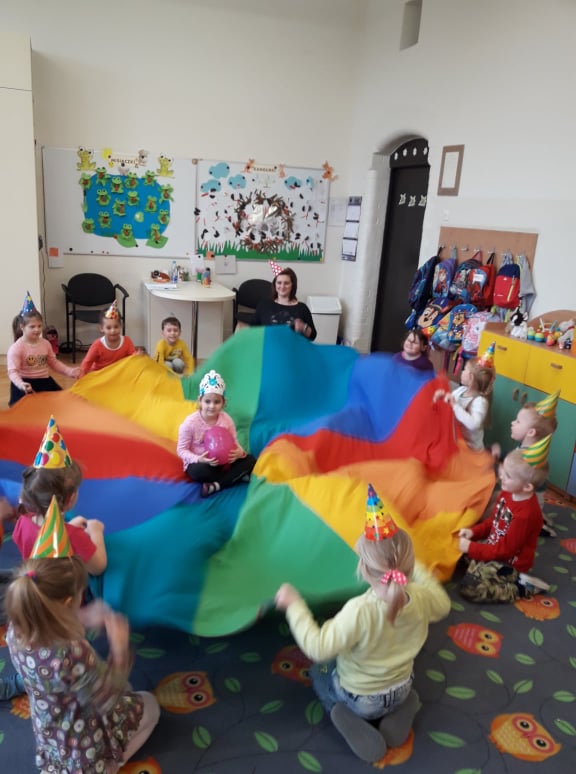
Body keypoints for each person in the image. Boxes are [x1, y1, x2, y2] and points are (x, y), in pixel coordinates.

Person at [275, 484, 450, 763]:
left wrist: (294, 605)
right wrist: (417, 569)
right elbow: (443, 605)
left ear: (364, 569)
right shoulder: (422, 597)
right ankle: (401, 708)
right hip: (401, 687)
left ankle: (343, 715)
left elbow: (317, 648)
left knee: (320, 671)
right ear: (406, 567)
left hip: (360, 699)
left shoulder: (359, 611)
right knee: (402, 692)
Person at [5, 498, 160, 773]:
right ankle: (106, 765)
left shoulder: (17, 626)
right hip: (83, 744)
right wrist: (119, 649)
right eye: (80, 595)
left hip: (49, 729)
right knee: (150, 704)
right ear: (68, 602)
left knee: (128, 694)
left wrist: (82, 617)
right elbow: (107, 697)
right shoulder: (72, 651)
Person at [457, 437, 551, 604]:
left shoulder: (525, 515)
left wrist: (471, 547)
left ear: (527, 487)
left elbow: (504, 551)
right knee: (458, 555)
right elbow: (493, 522)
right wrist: (473, 532)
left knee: (470, 588)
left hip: (509, 563)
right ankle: (478, 567)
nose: (501, 477)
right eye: (503, 472)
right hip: (495, 548)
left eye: (508, 475)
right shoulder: (508, 492)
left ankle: (522, 587)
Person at [13, 416, 107, 576]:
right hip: (64, 591)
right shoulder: (74, 536)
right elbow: (98, 567)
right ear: (71, 498)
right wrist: (96, 530)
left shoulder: (22, 521)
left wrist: (68, 526)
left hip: (35, 586)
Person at [177, 369, 256, 497]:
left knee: (250, 460)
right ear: (200, 401)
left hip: (224, 463)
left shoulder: (227, 420)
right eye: (207, 401)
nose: (212, 406)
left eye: (217, 402)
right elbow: (181, 450)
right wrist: (199, 459)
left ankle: (216, 485)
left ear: (223, 403)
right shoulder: (190, 423)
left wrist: (239, 453)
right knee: (197, 471)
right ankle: (235, 477)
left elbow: (234, 442)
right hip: (203, 464)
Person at [8, 292, 80, 406]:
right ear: (22, 327)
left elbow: (53, 363)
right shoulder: (16, 348)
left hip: (44, 381)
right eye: (32, 326)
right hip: (25, 383)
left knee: (63, 403)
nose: (37, 329)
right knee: (22, 409)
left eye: (39, 326)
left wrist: (69, 371)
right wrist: (20, 384)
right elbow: (13, 372)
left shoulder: (45, 344)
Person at [433, 342, 496, 451]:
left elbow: (473, 424)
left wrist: (455, 406)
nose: (462, 372)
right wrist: (443, 396)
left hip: (471, 450)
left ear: (471, 377)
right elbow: (451, 401)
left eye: (465, 369)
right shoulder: (461, 390)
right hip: (457, 442)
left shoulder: (480, 402)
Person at [251, 267, 317, 340]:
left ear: (292, 285)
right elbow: (252, 330)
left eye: (286, 283)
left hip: (292, 346)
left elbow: (313, 336)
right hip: (269, 345)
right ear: (275, 285)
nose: (282, 286)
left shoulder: (302, 308)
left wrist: (304, 327)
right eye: (279, 283)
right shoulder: (264, 305)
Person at [79, 300, 136, 377]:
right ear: (101, 328)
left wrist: (138, 356)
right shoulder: (97, 345)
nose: (113, 331)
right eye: (109, 328)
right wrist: (81, 376)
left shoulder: (127, 341)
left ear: (121, 326)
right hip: (99, 376)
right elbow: (87, 363)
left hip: (118, 376)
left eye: (116, 327)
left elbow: (133, 359)